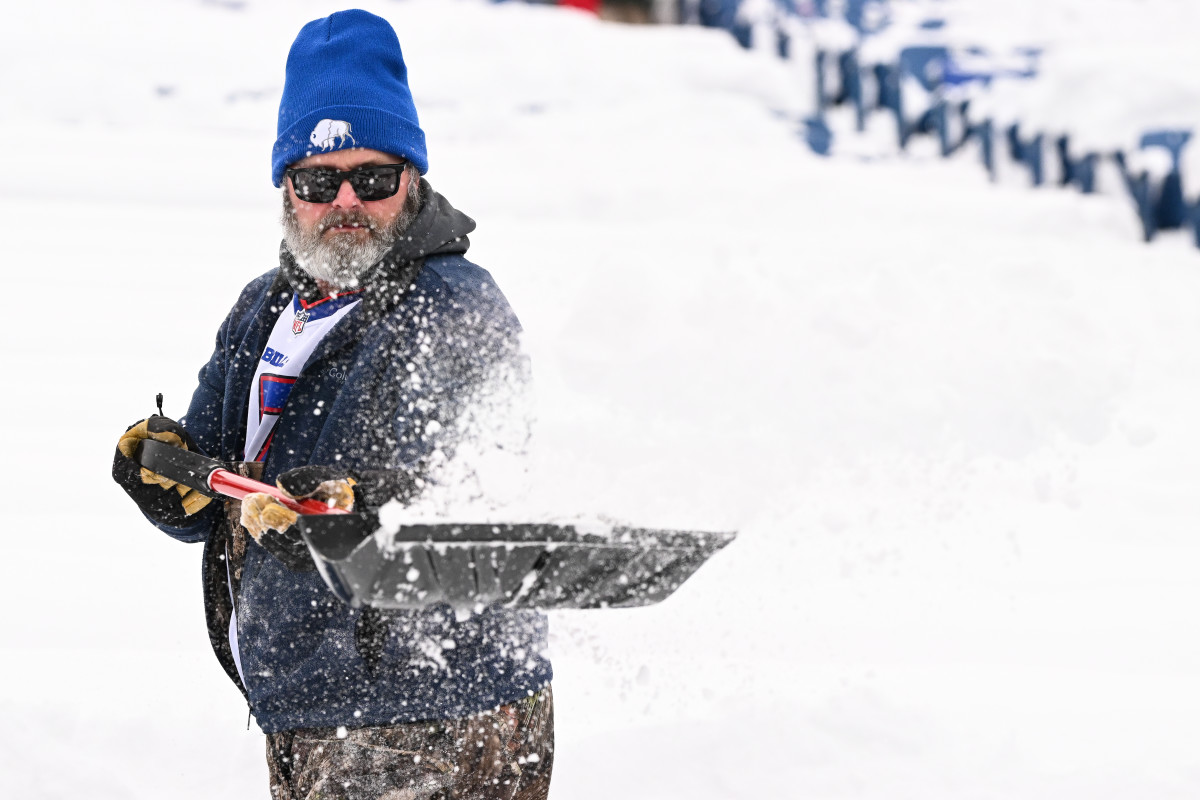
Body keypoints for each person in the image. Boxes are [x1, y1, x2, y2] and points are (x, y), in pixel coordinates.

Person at [111, 10, 553, 800]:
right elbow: (212, 491)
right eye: (320, 181)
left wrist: (357, 504)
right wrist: (160, 469)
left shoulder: (453, 303)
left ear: (410, 178)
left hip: (430, 707)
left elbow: (485, 477)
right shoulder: (266, 309)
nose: (346, 201)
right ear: (287, 187)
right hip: (307, 698)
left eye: (373, 179)